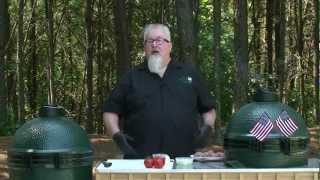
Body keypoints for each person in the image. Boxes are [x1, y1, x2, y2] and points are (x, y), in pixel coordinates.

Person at [103, 23, 216, 159]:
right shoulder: (131, 77)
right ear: (145, 47)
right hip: (140, 160)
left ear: (170, 45)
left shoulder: (189, 74)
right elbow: (110, 111)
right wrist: (117, 136)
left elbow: (208, 109)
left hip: (183, 160)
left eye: (160, 40)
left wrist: (207, 128)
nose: (155, 44)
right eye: (150, 41)